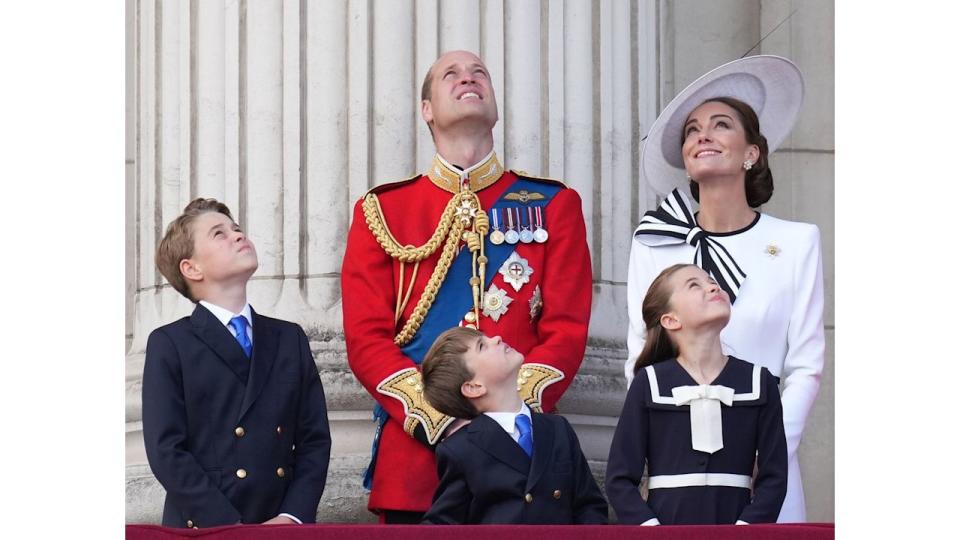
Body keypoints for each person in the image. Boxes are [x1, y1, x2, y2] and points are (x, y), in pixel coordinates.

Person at [341, 50, 593, 523]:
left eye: (480, 73)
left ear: (495, 106)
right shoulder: (382, 211)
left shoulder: (553, 204)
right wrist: (440, 421)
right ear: (427, 110)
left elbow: (566, 329)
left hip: (523, 466)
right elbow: (366, 338)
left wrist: (503, 416)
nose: (468, 78)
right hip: (418, 467)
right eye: (450, 75)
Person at [625, 55, 823, 522]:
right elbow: (641, 351)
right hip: (680, 463)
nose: (703, 135)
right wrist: (666, 441)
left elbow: (806, 366)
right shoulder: (654, 241)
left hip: (765, 464)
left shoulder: (797, 242)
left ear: (752, 152)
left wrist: (769, 450)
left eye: (720, 125)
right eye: (692, 130)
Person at [142, 198, 332, 528]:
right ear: (191, 268)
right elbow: (166, 450)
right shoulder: (170, 344)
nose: (237, 235)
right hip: (206, 527)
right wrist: (227, 525)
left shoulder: (289, 339)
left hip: (280, 526)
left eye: (237, 229)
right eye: (219, 234)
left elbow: (314, 439)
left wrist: (292, 516)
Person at [608, 264, 787, 525]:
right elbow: (619, 479)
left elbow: (775, 477)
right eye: (695, 285)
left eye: (712, 281)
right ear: (670, 320)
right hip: (665, 527)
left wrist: (747, 530)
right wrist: (651, 528)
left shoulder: (759, 382)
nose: (713, 287)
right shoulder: (649, 383)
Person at [419, 327, 608, 524]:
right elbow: (442, 525)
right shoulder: (460, 449)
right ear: (474, 387)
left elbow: (589, 506)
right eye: (482, 346)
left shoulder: (557, 428)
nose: (498, 338)